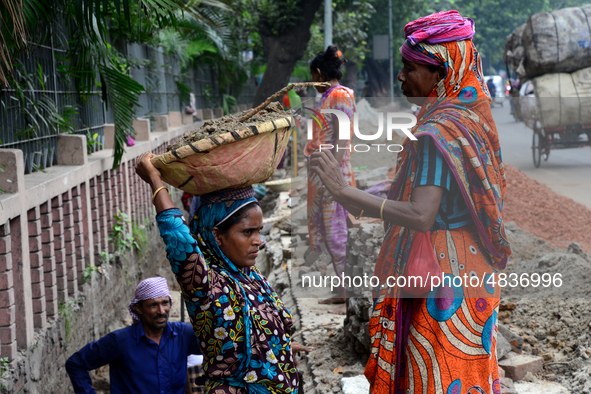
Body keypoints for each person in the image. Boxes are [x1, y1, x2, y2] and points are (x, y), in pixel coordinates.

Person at [309, 10, 512, 393]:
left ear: (441, 73)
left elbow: (421, 214)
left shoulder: (440, 132)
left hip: (441, 280)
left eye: (410, 67)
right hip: (474, 271)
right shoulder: (472, 116)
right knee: (464, 377)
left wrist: (342, 192)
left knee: (435, 375)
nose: (401, 76)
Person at [135, 155, 313, 394]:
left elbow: (253, 327)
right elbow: (177, 235)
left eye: (259, 231)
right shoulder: (205, 284)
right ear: (217, 235)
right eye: (248, 232)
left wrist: (279, 346)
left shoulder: (250, 276)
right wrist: (155, 179)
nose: (258, 241)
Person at [66, 277, 201, 394]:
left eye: (165, 303)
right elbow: (76, 364)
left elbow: (217, 348)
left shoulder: (183, 335)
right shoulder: (120, 341)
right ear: (139, 308)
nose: (161, 311)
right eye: (153, 305)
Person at [304, 45, 356, 315]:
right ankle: (340, 290)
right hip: (323, 176)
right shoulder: (329, 97)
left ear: (319, 72)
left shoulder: (339, 96)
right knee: (327, 231)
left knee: (337, 234)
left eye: (313, 77)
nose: (312, 83)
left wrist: (331, 174)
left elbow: (343, 138)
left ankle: (347, 292)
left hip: (332, 177)